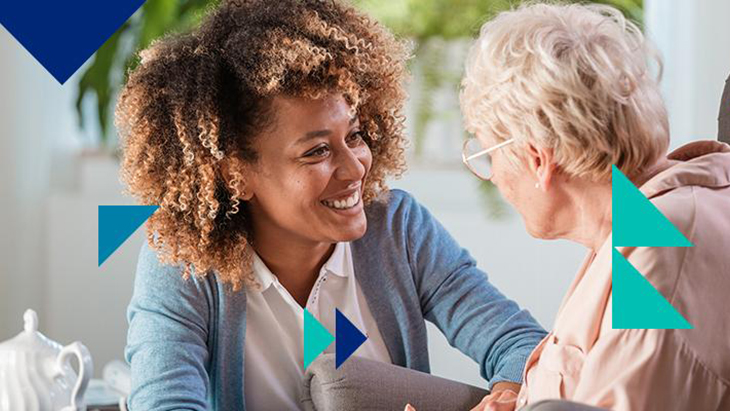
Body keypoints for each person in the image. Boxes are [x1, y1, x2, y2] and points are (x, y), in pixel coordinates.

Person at [118, 1, 546, 410]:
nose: (354, 168)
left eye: (355, 136)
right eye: (317, 151)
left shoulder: (399, 229)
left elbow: (521, 345)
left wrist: (504, 399)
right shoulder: (183, 264)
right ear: (236, 174)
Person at [455, 3, 730, 410]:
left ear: (537, 159)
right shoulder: (646, 223)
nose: (492, 175)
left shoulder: (661, 255)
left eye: (488, 152)